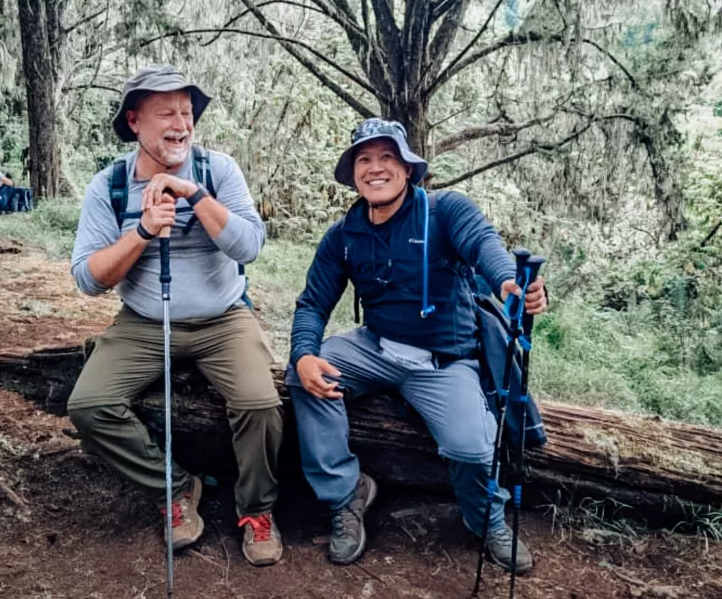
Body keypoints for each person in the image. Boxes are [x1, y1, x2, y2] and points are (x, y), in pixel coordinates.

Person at [286, 118, 548, 571]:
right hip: (376, 347)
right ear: (352, 174)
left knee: (470, 447)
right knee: (304, 373)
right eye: (364, 160)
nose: (375, 168)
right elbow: (313, 302)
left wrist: (508, 281)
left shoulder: (445, 211)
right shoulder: (344, 235)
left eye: (387, 157)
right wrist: (305, 353)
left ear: (408, 169)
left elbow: (483, 244)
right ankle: (346, 495)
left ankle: (486, 520)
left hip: (445, 363)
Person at [67, 64, 283, 566]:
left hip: (224, 319)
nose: (181, 123)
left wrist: (195, 196)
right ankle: (175, 487)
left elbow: (250, 246)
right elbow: (88, 278)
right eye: (167, 112)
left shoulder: (217, 170)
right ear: (135, 120)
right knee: (89, 404)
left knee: (259, 405)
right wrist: (141, 233)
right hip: (143, 320)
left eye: (187, 112)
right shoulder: (110, 186)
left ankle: (256, 510)